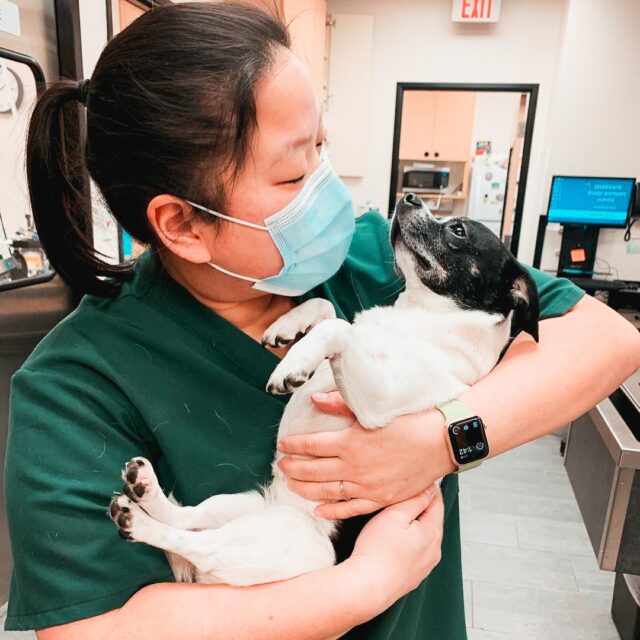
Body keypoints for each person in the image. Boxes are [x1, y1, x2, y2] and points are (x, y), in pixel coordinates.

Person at [4, 3, 639, 639]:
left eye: (321, 147)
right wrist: (365, 584)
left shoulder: (372, 260)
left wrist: (444, 439)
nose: (326, 188)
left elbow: (603, 338)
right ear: (183, 225)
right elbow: (92, 630)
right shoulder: (73, 386)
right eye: (292, 171)